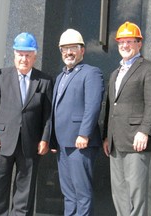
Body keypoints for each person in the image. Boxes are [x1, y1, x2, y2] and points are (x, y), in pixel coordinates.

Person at [0, 32, 53, 216]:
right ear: (14, 54)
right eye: (20, 54)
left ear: (35, 55)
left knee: (25, 192)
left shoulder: (45, 80)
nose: (24, 58)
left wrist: (45, 138)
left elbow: (48, 115)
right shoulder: (1, 76)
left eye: (28, 55)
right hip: (2, 142)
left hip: (30, 145)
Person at [102, 21, 151, 216]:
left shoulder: (149, 68)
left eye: (130, 41)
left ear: (139, 44)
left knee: (136, 195)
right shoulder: (115, 73)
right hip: (115, 142)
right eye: (121, 42)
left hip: (137, 140)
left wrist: (145, 131)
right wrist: (107, 136)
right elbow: (111, 106)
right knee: (119, 194)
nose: (125, 46)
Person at [50, 29, 105, 216]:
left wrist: (84, 133)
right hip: (63, 144)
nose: (68, 52)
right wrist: (53, 140)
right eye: (64, 48)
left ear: (82, 50)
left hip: (81, 143)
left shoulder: (91, 73)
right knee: (68, 193)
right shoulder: (60, 77)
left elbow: (93, 106)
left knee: (82, 193)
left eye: (73, 47)